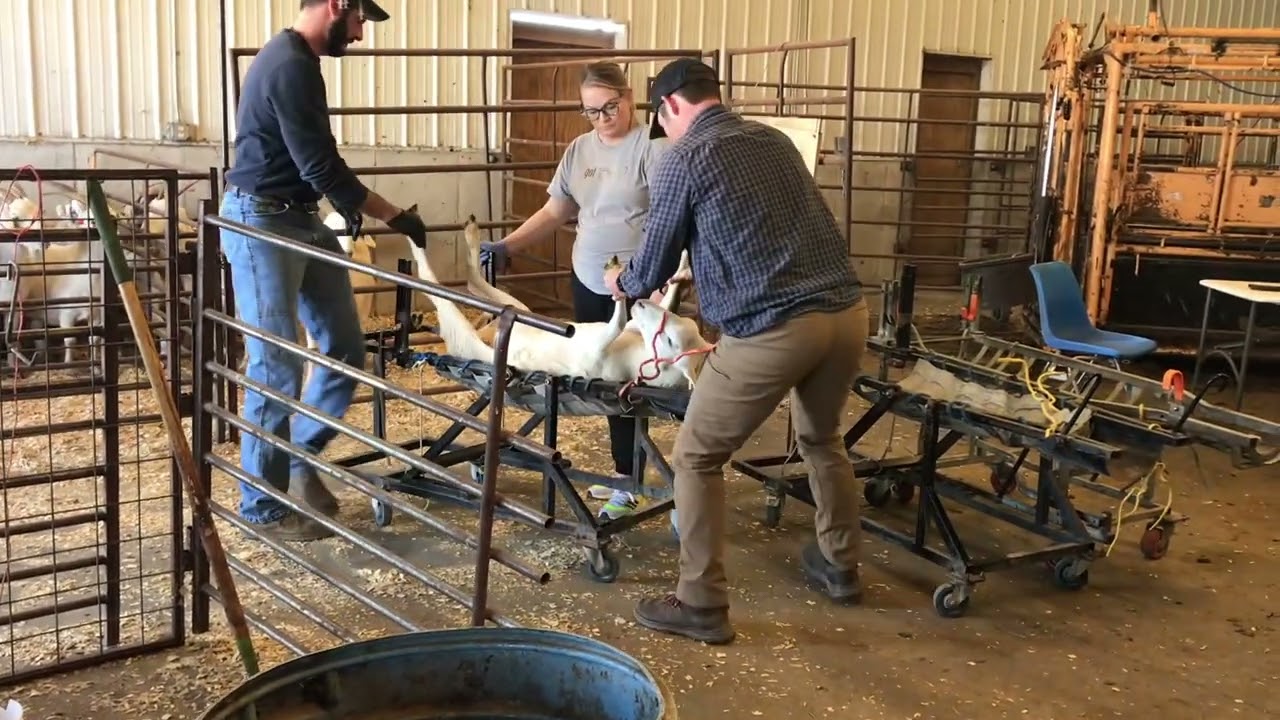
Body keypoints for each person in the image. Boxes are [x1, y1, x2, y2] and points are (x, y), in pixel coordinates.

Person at [604, 58, 871, 645]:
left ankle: (699, 601)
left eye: (660, 121)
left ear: (670, 107)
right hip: (847, 314)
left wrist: (622, 279)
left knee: (697, 456)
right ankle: (841, 565)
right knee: (823, 439)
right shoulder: (772, 141)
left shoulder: (685, 158)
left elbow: (653, 263)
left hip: (775, 328)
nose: (664, 133)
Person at [221, 0, 429, 543]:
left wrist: (360, 206)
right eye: (360, 20)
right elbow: (320, 164)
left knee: (344, 346)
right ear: (338, 5)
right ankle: (262, 508)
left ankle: (298, 454)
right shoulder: (288, 63)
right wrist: (394, 215)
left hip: (300, 215)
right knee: (276, 364)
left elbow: (318, 163)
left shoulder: (302, 62)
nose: (360, 35)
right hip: (261, 218)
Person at [482, 61, 668, 519]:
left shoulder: (653, 147)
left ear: (629, 99)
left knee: (632, 382)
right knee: (602, 379)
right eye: (591, 111)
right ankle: (624, 476)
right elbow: (555, 209)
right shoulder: (580, 149)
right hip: (589, 278)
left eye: (609, 107)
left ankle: (632, 479)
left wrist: (663, 284)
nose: (602, 118)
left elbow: (670, 218)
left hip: (640, 288)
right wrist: (508, 244)